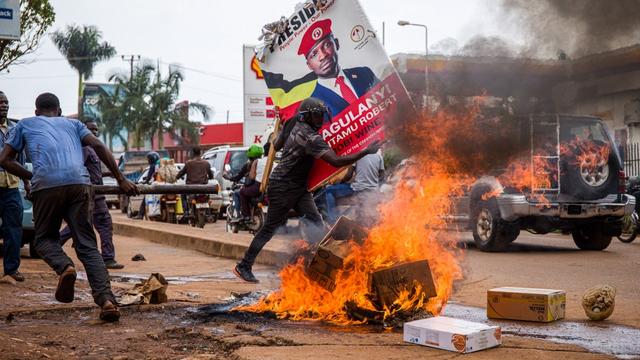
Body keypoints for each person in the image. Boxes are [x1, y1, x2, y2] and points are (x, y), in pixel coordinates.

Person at [0, 93, 138, 322]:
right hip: (79, 184)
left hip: (46, 186)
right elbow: (99, 146)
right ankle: (106, 301)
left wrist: (32, 176)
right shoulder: (74, 125)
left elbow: (4, 159)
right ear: (59, 110)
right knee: (87, 245)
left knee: (43, 239)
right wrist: (120, 178)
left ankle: (65, 267)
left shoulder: (25, 124)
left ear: (36, 111)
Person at [233, 97, 381, 283]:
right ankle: (244, 266)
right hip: (283, 187)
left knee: (317, 223)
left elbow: (276, 145)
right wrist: (366, 151)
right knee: (269, 229)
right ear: (307, 116)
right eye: (317, 116)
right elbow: (336, 161)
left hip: (299, 188)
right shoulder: (310, 138)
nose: (320, 121)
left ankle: (318, 265)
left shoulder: (293, 121)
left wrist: (282, 129)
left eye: (322, 116)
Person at [59, 120, 124, 270]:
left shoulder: (89, 149)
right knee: (104, 223)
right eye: (91, 130)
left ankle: (53, 245)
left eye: (96, 130)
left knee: (79, 223)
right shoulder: (83, 149)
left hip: (94, 192)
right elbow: (78, 168)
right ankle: (108, 257)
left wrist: (110, 173)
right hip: (92, 193)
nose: (94, 133)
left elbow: (93, 171)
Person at [298, 19, 380, 118]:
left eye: (327, 45)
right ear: (309, 65)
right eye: (314, 54)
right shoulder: (313, 105)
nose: (323, 55)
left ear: (336, 44)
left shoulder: (364, 73)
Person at [0, 91, 25, 284]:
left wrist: (28, 182)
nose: (4, 106)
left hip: (12, 187)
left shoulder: (15, 129)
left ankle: (11, 269)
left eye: (6, 102)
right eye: (0, 102)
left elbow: (21, 160)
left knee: (13, 229)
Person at [323, 150, 385, 224]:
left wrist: (340, 183)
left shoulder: (357, 156)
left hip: (357, 189)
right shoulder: (379, 157)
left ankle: (334, 220)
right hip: (372, 190)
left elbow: (348, 176)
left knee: (329, 190)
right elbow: (382, 176)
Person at [224, 144, 264, 221]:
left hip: (254, 188)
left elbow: (238, 177)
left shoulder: (249, 165)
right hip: (263, 189)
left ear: (249, 155)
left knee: (239, 192)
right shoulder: (263, 163)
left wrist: (229, 178)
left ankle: (243, 215)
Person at [134, 151, 160, 219]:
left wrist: (144, 181)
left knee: (145, 199)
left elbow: (148, 178)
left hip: (154, 186)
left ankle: (140, 215)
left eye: (148, 159)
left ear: (151, 159)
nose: (148, 160)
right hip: (163, 185)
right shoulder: (159, 165)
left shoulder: (152, 166)